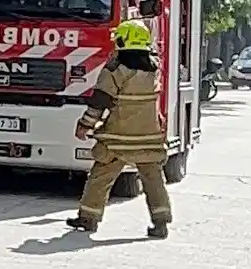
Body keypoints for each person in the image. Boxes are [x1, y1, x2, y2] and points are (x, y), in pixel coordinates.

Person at [66, 20, 172, 239]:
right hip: (149, 137)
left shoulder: (115, 69)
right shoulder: (154, 68)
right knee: (153, 180)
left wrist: (84, 125)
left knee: (100, 177)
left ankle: (88, 218)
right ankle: (161, 222)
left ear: (125, 40)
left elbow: (100, 102)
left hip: (117, 138)